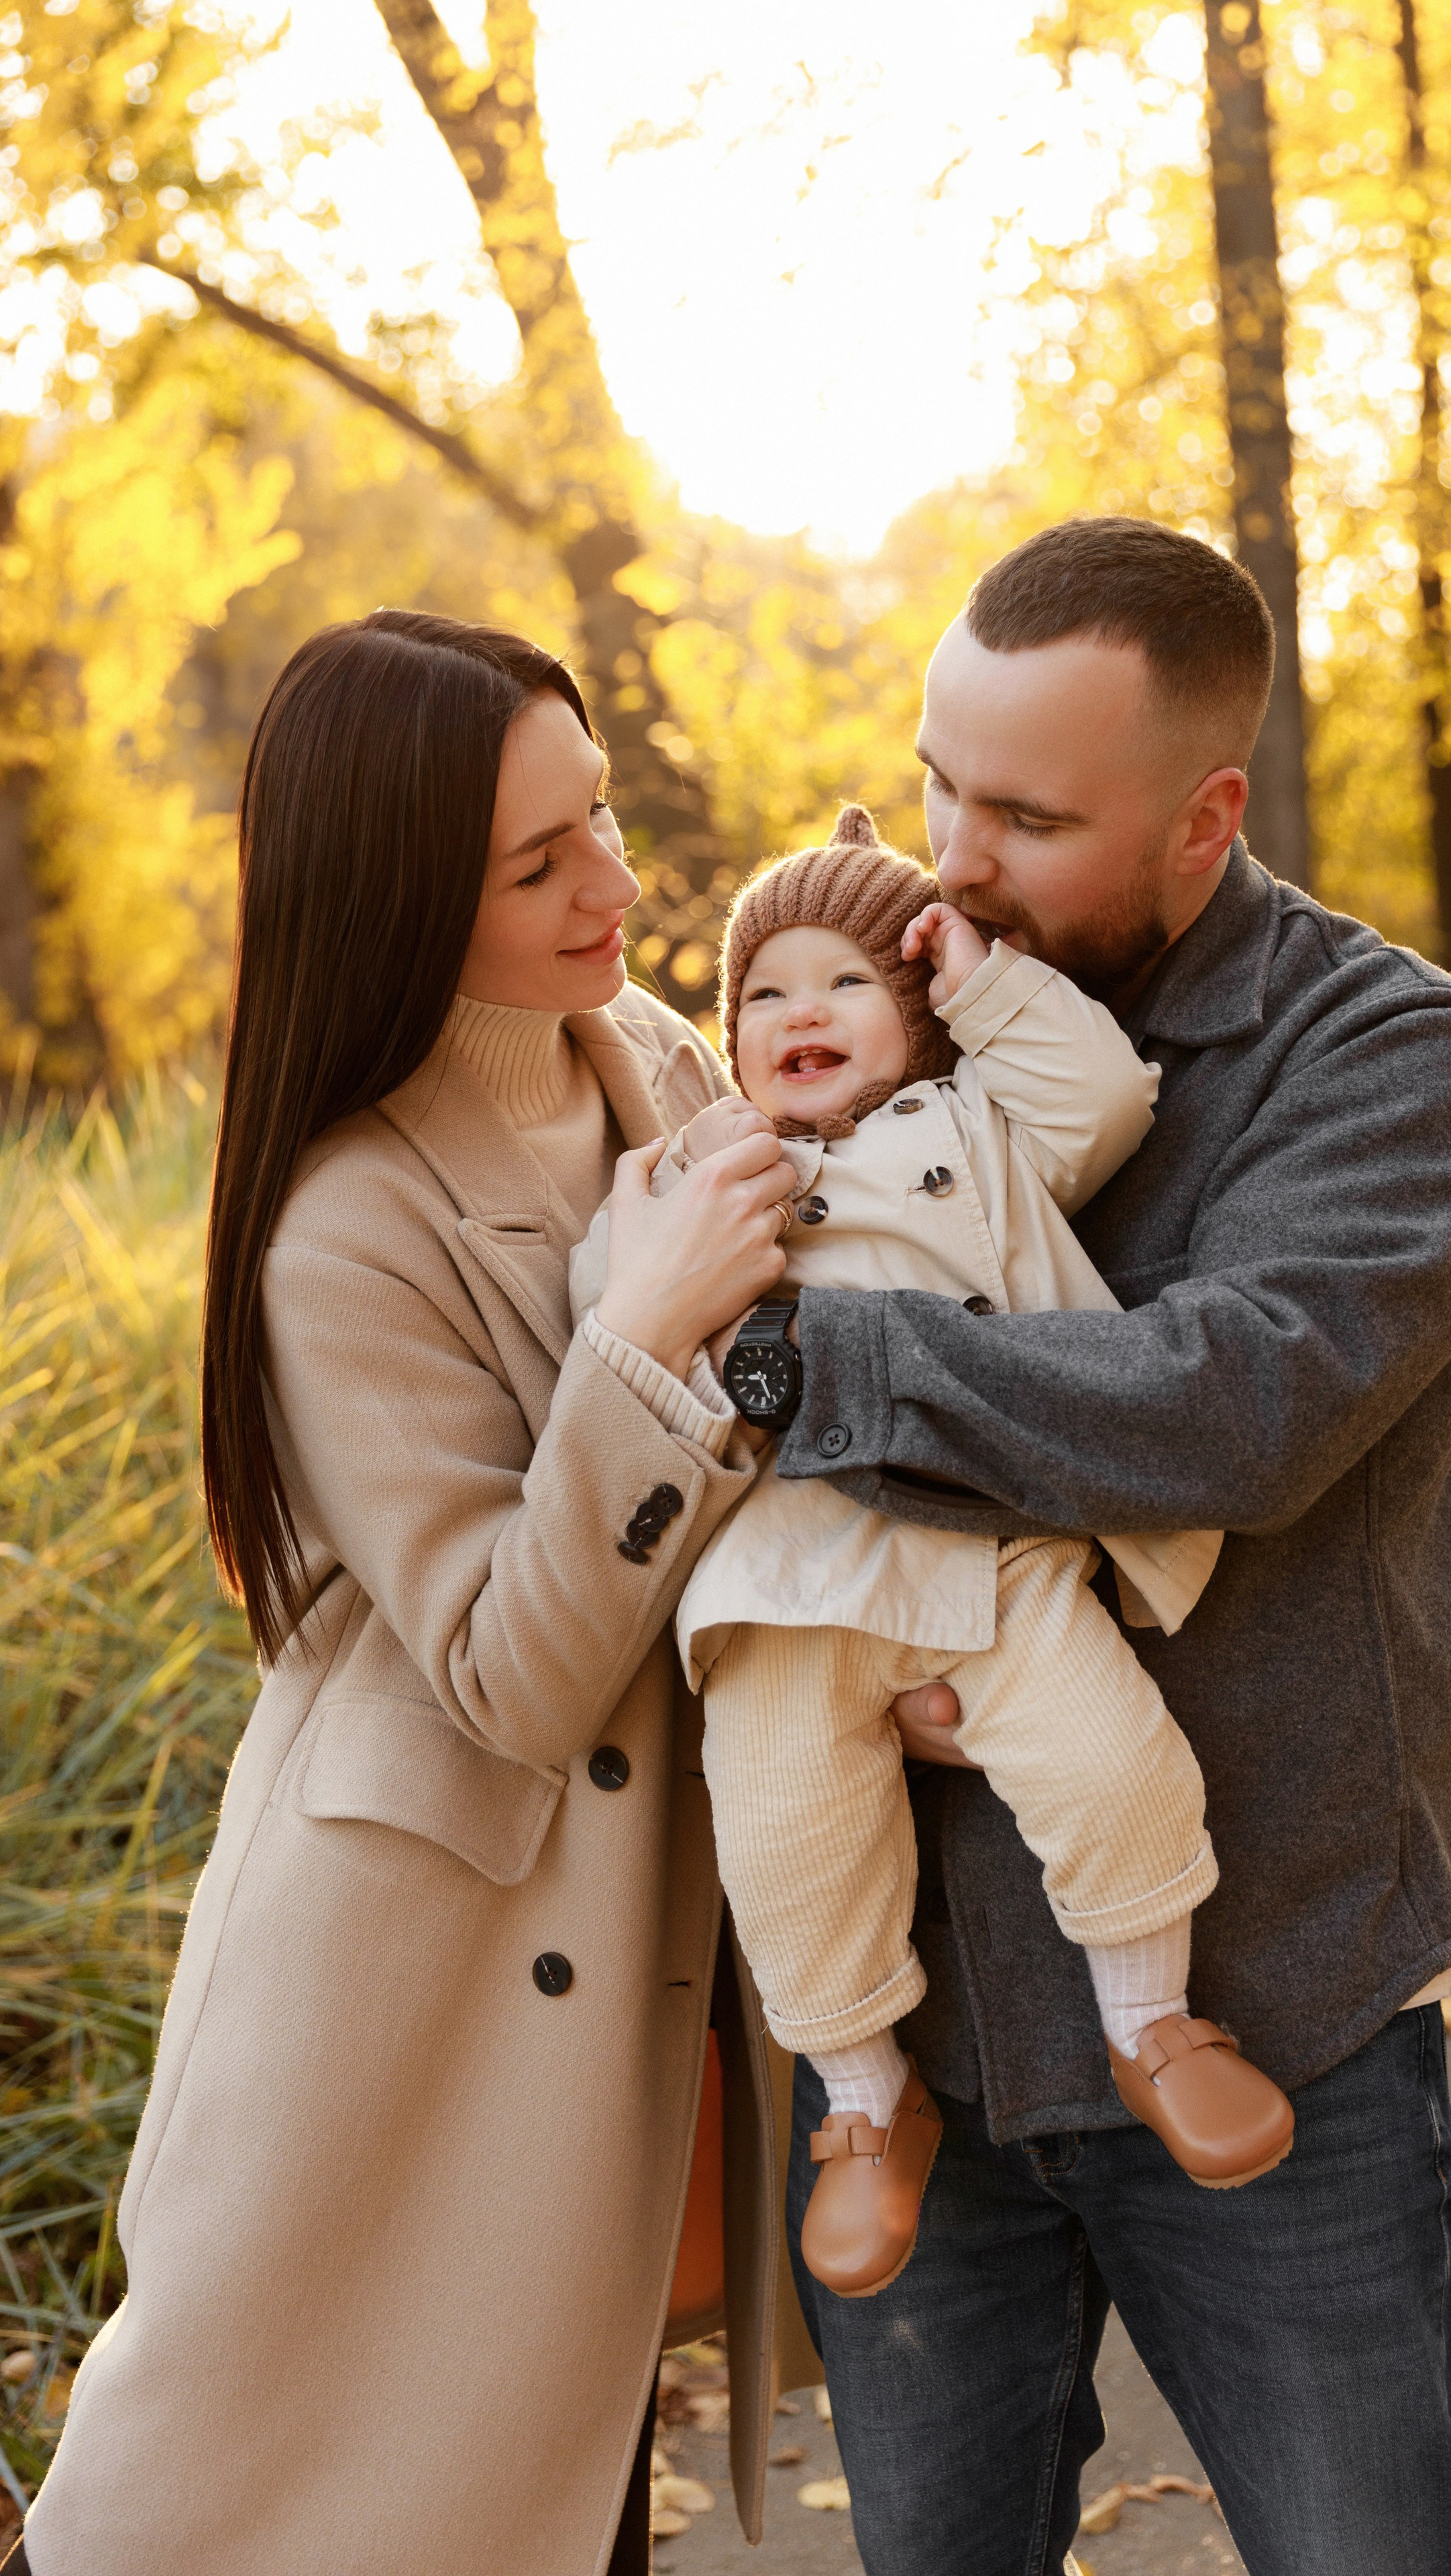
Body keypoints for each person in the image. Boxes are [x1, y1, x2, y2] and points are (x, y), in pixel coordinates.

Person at [758, 521, 1451, 2576]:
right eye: (936, 781)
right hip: (916, 2033)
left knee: (1372, 2553)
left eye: (1027, 815)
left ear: (1210, 816)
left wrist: (806, 1369)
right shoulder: (873, 1005)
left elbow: (1231, 1407)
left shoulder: (1397, 1062)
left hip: (1271, 1984)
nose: (956, 856)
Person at [15, 608, 826, 2576]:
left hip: (637, 1951)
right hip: (414, 1988)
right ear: (394, 897)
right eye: (538, 867)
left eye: (604, 822)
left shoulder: (650, 1051)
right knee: (225, 2505)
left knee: (559, 2492)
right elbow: (509, 1673)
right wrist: (638, 1343)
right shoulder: (343, 1220)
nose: (616, 890)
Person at [571, 805, 1293, 2304]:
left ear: (911, 1017)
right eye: (762, 994)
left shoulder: (972, 1128)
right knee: (784, 1840)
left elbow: (1096, 1092)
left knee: (1112, 1761)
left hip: (990, 1535)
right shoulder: (716, 1160)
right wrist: (646, 1240)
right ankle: (859, 2102)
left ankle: (1153, 2019)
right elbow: (618, 1316)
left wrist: (974, 978)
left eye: (842, 983)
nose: (797, 1015)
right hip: (786, 1582)